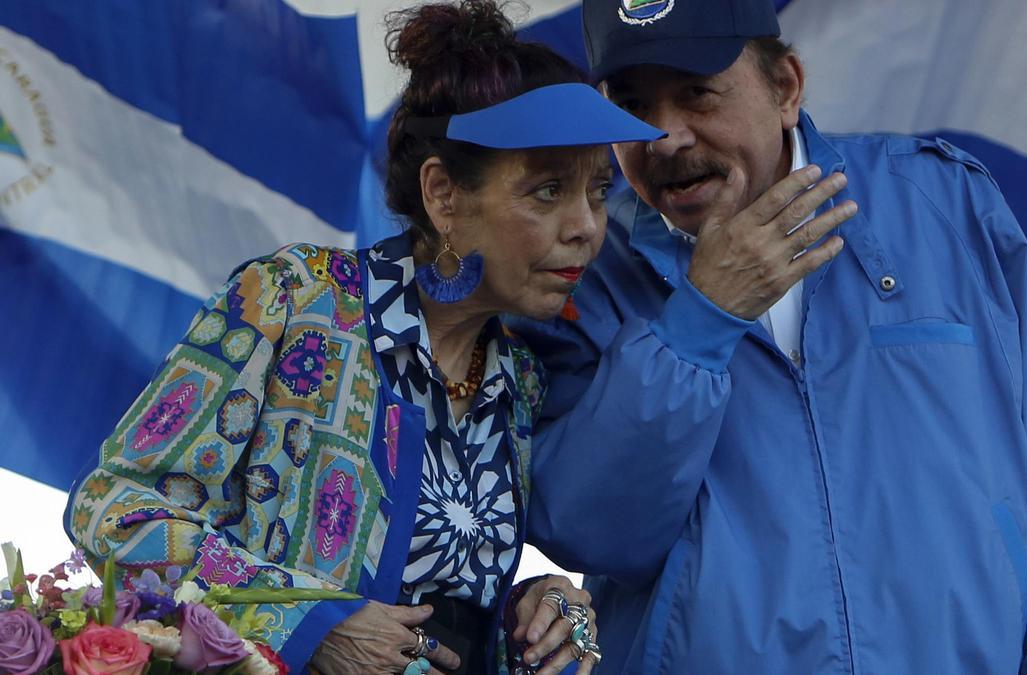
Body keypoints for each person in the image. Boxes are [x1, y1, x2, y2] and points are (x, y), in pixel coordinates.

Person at [508, 0, 1027, 672]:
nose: (666, 136)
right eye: (633, 104)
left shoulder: (945, 206)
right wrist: (701, 317)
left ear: (787, 86)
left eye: (696, 92)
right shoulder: (581, 270)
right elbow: (597, 530)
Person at [62, 2, 663, 673]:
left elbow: (433, 619)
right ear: (443, 195)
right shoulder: (293, 299)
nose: (587, 226)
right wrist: (307, 621)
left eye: (599, 190)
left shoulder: (518, 379)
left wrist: (540, 613)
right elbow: (111, 507)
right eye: (548, 191)